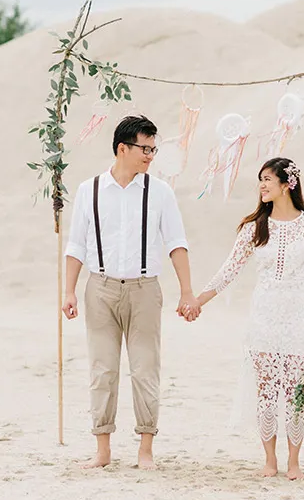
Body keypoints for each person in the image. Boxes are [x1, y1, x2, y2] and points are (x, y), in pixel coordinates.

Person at [62, 115, 201, 470]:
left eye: (154, 149)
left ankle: (145, 449)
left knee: (145, 369)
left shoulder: (160, 192)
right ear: (122, 148)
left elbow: (176, 243)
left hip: (144, 290)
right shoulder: (88, 191)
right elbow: (76, 245)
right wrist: (69, 291)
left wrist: (187, 292)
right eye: (145, 148)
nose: (151, 156)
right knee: (102, 370)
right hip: (100, 289)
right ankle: (103, 449)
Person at [189, 157, 304, 480]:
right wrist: (198, 300)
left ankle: (294, 461)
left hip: (299, 316)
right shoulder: (255, 227)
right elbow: (230, 270)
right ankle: (270, 459)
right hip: (264, 317)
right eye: (260, 180)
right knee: (267, 390)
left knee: (297, 391)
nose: (263, 186)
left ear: (287, 185)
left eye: (268, 179)